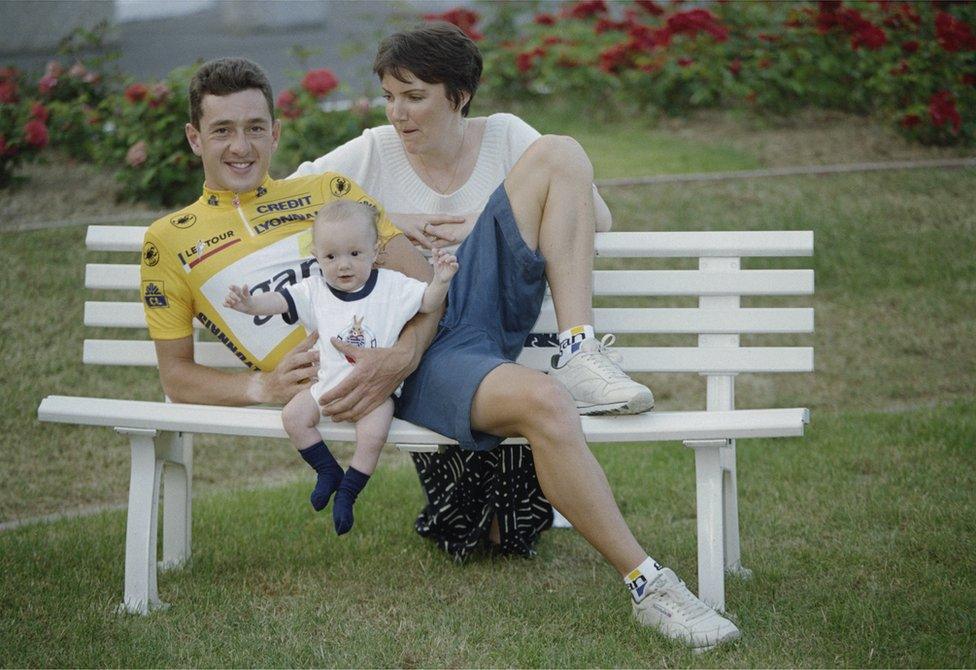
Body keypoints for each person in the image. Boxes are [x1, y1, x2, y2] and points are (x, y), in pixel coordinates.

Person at [141, 55, 739, 651]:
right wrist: (261, 389)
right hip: (395, 386)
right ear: (195, 138)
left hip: (435, 332)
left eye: (253, 128)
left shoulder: (327, 192)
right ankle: (650, 585)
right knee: (545, 399)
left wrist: (401, 351)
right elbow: (178, 377)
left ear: (275, 132)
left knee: (560, 153)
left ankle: (578, 348)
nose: (240, 146)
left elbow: (421, 288)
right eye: (222, 130)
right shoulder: (168, 243)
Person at [291, 21, 651, 557]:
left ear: (459, 97)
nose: (397, 113)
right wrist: (384, 219)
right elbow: (293, 204)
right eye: (390, 97)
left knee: (561, 151)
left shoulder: (504, 134)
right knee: (483, 531)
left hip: (488, 302)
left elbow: (597, 215)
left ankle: (580, 351)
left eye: (415, 97)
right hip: (421, 341)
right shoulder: (373, 150)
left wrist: (483, 221)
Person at [223, 200, 458, 535]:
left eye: (354, 254)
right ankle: (327, 471)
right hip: (324, 387)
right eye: (331, 257)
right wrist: (249, 305)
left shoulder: (392, 285)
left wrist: (442, 279)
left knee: (373, 433)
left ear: (375, 251)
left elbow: (428, 302)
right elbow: (278, 302)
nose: (343, 265)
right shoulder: (314, 290)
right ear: (317, 255)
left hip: (375, 393)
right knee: (293, 417)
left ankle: (349, 491)